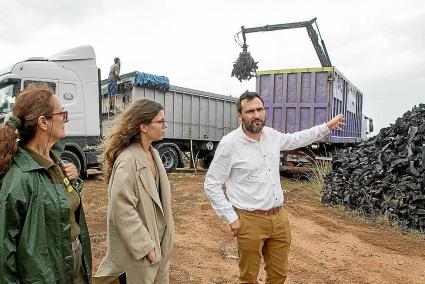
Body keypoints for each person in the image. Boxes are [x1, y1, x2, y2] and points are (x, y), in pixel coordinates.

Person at [204, 91, 345, 283]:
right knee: (248, 278)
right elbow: (212, 183)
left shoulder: (272, 136)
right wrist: (230, 216)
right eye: (250, 111)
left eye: (260, 109)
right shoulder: (230, 144)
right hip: (248, 220)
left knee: (279, 275)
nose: (256, 115)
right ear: (240, 115)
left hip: (278, 218)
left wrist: (326, 127)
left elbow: (298, 139)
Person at [0, 85, 92, 283]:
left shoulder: (56, 162)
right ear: (43, 122)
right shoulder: (19, 177)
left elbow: (57, 204)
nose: (66, 119)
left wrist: (74, 183)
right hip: (46, 273)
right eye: (62, 113)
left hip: (73, 261)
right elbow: (4, 254)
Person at [94, 99, 175, 284]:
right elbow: (121, 208)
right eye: (160, 121)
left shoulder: (153, 154)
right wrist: (146, 247)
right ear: (144, 126)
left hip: (158, 247)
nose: (165, 126)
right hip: (138, 255)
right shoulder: (128, 161)